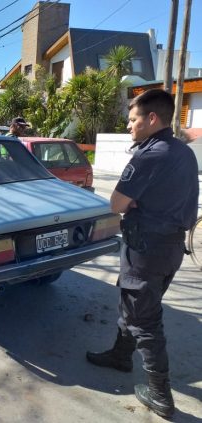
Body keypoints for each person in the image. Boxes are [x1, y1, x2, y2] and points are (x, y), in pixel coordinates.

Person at [85, 89, 199, 418]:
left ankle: (160, 393)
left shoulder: (149, 155)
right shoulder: (182, 151)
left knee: (145, 320)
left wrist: (132, 202)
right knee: (135, 306)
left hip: (147, 249)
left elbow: (116, 203)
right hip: (170, 247)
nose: (129, 126)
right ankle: (121, 356)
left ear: (152, 119)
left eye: (133, 120)